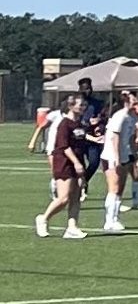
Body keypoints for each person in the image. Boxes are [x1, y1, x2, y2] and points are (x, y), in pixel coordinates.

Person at [35, 94, 88, 239]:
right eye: (80, 104)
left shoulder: (80, 124)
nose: (83, 107)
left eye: (84, 104)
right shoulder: (64, 124)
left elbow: (81, 142)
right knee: (63, 198)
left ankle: (72, 228)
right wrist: (76, 163)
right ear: (71, 106)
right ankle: (43, 218)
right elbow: (64, 146)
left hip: (77, 162)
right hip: (64, 162)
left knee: (75, 197)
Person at [99, 91, 138, 232]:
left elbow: (131, 139)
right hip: (111, 156)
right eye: (133, 98)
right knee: (114, 188)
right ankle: (109, 221)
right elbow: (114, 137)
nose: (136, 100)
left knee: (120, 189)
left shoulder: (132, 117)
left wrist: (134, 157)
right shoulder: (119, 116)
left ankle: (115, 218)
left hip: (124, 155)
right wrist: (116, 157)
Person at [28, 99, 68, 201]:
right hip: (53, 148)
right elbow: (41, 127)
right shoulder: (54, 115)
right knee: (56, 171)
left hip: (68, 147)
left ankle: (67, 193)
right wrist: (33, 142)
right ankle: (56, 193)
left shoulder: (74, 117)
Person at [77, 78, 106, 200]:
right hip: (79, 137)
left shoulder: (97, 103)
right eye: (85, 88)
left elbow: (104, 118)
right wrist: (86, 122)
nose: (88, 91)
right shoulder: (77, 103)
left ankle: (84, 182)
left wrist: (99, 124)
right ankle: (81, 190)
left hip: (93, 138)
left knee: (94, 163)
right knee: (81, 165)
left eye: (89, 88)